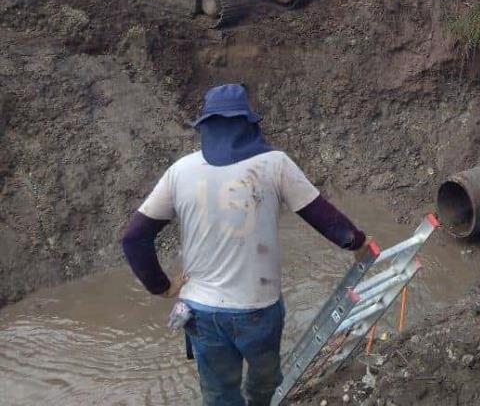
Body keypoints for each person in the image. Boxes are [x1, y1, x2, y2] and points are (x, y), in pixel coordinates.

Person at [120, 84, 371, 405]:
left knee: (220, 393)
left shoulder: (180, 171)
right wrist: (359, 245)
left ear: (206, 127)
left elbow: (133, 238)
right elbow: (326, 219)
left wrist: (162, 287)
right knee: (264, 384)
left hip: (200, 311)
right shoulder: (275, 164)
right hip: (257, 309)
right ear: (249, 124)